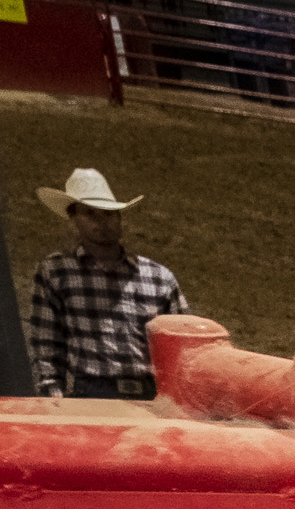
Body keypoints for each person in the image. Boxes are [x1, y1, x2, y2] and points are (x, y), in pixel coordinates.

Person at [25, 169, 188, 400]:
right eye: (90, 214)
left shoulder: (159, 278)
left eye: (109, 214)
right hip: (91, 390)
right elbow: (47, 344)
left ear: (119, 218)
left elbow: (182, 347)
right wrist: (53, 395)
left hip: (149, 391)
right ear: (74, 220)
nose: (101, 222)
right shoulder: (57, 273)